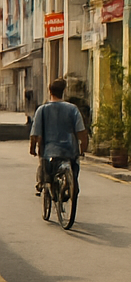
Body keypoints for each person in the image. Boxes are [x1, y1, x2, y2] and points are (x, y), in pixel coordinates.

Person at [29, 78, 88, 223]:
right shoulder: (72, 109)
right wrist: (82, 148)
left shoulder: (42, 110)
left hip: (49, 152)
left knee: (47, 174)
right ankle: (71, 185)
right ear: (64, 91)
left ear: (50, 91)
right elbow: (82, 133)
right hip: (69, 151)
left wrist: (32, 149)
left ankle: (45, 186)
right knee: (74, 169)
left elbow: (35, 134)